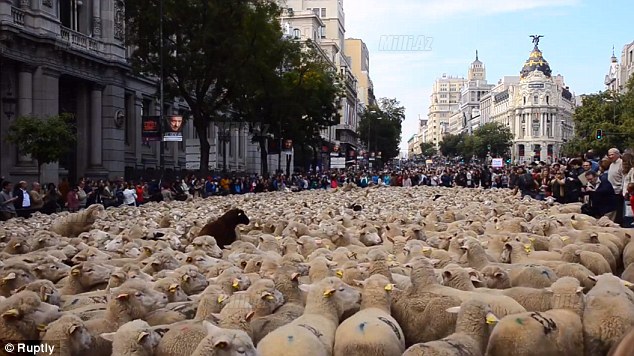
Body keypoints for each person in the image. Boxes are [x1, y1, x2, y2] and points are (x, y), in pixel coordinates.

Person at [607, 148, 624, 224]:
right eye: (609, 155)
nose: (610, 156)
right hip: (611, 191)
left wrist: (621, 189)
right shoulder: (611, 164)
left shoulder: (621, 163)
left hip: (618, 191)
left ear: (618, 154)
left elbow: (624, 177)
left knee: (619, 210)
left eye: (612, 154)